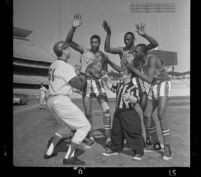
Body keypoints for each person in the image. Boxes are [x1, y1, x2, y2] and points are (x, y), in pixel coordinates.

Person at [102, 21, 162, 151]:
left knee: (147, 113)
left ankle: (154, 141)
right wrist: (109, 33)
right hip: (125, 83)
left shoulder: (138, 50)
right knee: (124, 112)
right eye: (125, 40)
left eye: (129, 39)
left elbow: (155, 44)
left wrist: (144, 34)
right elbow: (107, 49)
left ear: (133, 39)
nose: (126, 42)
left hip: (139, 83)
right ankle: (126, 140)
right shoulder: (121, 51)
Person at [66, 14, 121, 149]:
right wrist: (74, 27)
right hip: (86, 85)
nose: (93, 44)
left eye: (95, 42)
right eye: (92, 42)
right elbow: (69, 42)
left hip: (99, 85)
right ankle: (90, 136)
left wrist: (108, 81)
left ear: (99, 43)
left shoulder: (103, 56)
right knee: (88, 113)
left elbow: (106, 72)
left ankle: (107, 138)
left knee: (107, 110)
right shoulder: (85, 51)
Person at [43, 40, 91, 165]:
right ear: (63, 50)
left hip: (51, 100)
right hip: (60, 100)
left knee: (64, 128)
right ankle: (69, 157)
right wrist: (84, 69)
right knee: (85, 126)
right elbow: (80, 85)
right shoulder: (65, 66)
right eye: (68, 48)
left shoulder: (53, 64)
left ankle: (49, 151)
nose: (69, 50)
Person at [125, 43, 172, 160]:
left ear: (143, 52)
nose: (135, 53)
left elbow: (149, 79)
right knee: (146, 115)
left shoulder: (152, 59)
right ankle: (154, 144)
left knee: (161, 115)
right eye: (135, 51)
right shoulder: (141, 61)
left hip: (163, 84)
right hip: (154, 87)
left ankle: (168, 148)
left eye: (137, 51)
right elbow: (149, 80)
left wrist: (133, 69)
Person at [102, 68, 144, 160]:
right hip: (118, 112)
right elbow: (111, 87)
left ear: (129, 75)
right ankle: (115, 148)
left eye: (123, 73)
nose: (121, 74)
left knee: (133, 131)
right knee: (116, 131)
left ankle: (138, 152)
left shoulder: (133, 87)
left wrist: (130, 97)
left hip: (128, 113)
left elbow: (136, 99)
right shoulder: (120, 85)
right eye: (120, 72)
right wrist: (105, 80)